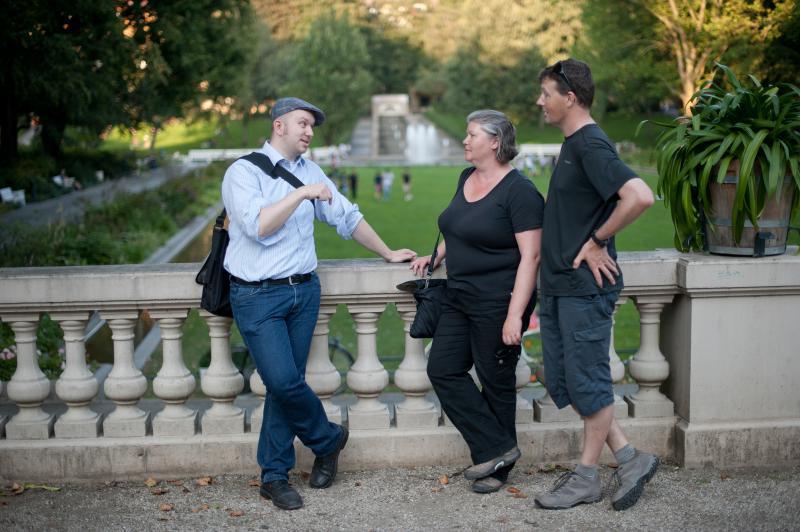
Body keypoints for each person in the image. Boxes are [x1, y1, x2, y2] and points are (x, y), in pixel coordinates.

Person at [222, 97, 416, 511]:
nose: (309, 132)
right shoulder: (243, 172)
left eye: (312, 126)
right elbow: (257, 226)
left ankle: (273, 476)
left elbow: (346, 216)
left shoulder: (310, 169)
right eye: (302, 124)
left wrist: (386, 253)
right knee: (283, 381)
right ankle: (329, 440)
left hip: (304, 292)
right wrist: (302, 194)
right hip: (257, 295)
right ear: (279, 126)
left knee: (281, 388)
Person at [532, 59, 657, 511]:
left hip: (584, 289)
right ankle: (629, 457)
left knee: (588, 383)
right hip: (564, 287)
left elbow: (639, 195)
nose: (540, 101)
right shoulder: (573, 145)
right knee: (572, 381)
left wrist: (599, 240)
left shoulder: (589, 145)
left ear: (570, 97)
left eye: (546, 93)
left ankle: (585, 478)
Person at [410, 110, 544, 494]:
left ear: (495, 142)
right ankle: (497, 448)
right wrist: (435, 257)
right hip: (457, 297)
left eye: (472, 135)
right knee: (443, 369)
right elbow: (458, 227)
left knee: (495, 381)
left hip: (497, 302)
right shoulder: (466, 178)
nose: (465, 141)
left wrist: (515, 315)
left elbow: (531, 258)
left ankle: (498, 468)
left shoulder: (520, 192)